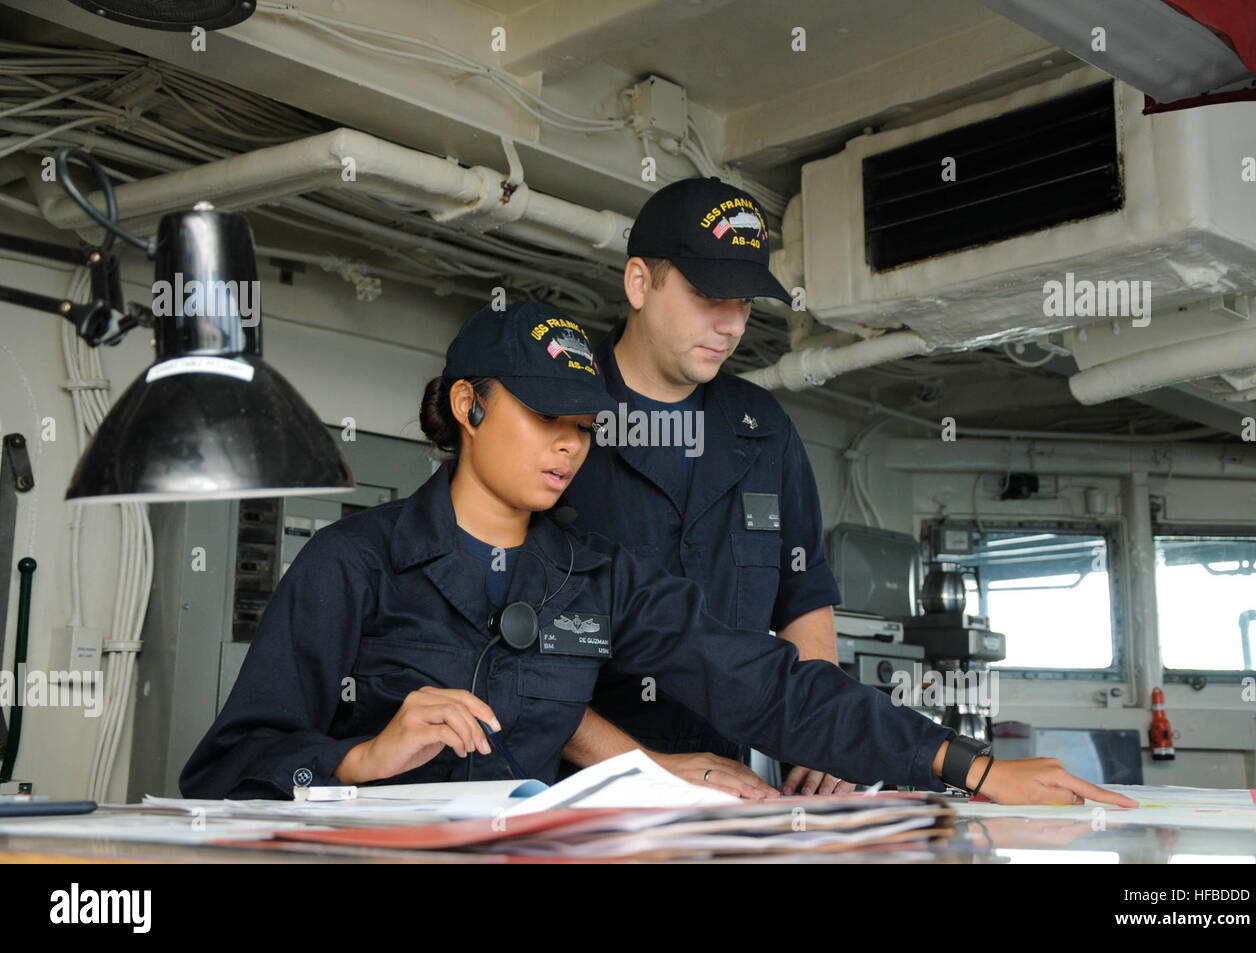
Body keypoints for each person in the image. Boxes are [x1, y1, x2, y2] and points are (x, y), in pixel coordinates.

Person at [179, 300, 1137, 810]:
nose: (568, 444)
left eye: (584, 424)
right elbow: (224, 770)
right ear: (469, 406)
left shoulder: (600, 575)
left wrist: (965, 766)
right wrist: (358, 758)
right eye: (544, 416)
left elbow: (773, 685)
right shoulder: (354, 564)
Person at [562, 176, 849, 797]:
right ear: (640, 282)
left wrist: (823, 728)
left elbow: (802, 599)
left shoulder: (764, 430)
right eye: (707, 296)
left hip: (726, 786)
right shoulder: (557, 408)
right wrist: (641, 766)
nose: (730, 326)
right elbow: (498, 632)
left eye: (743, 301)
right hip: (569, 785)